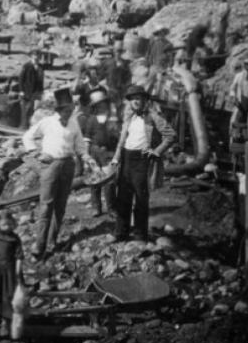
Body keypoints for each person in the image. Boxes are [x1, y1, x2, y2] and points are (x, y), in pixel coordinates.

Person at [22, 88, 99, 258]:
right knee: (46, 205)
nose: (69, 113)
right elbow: (27, 137)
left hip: (68, 165)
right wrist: (36, 153)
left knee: (60, 206)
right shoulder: (47, 122)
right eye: (66, 110)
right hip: (51, 165)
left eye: (71, 109)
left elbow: (79, 145)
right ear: (58, 110)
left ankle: (52, 242)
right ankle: (39, 244)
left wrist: (87, 158)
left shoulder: (73, 123)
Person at [110, 85, 176, 242]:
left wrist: (157, 151)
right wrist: (115, 158)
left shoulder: (153, 117)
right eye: (133, 99)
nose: (136, 102)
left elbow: (170, 135)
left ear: (145, 100)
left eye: (138, 98)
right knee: (123, 197)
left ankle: (140, 235)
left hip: (142, 160)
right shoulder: (128, 118)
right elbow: (121, 141)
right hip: (126, 159)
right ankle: (121, 233)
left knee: (140, 198)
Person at [82, 90, 119, 217]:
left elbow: (117, 136)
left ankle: (111, 208)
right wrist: (86, 158)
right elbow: (87, 139)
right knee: (95, 179)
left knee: (110, 181)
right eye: (98, 104)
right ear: (94, 106)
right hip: (94, 151)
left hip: (108, 152)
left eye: (103, 103)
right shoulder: (91, 120)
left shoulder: (112, 118)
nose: (101, 106)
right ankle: (96, 207)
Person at [18, 49, 45, 129]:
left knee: (33, 111)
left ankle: (31, 127)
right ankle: (23, 127)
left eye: (38, 56)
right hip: (27, 92)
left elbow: (41, 80)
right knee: (25, 111)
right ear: (31, 57)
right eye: (34, 56)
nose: (36, 57)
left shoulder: (41, 67)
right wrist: (21, 90)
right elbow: (21, 79)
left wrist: (41, 91)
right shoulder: (26, 66)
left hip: (36, 93)